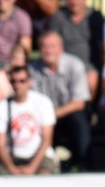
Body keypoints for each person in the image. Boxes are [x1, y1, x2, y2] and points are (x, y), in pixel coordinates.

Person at [29, 31, 93, 171]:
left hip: (69, 112)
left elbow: (79, 102)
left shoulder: (74, 65)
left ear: (61, 48)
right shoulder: (32, 69)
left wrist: (53, 114)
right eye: (44, 46)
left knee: (79, 120)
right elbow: (32, 100)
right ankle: (37, 163)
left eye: (52, 46)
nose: (48, 50)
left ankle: (85, 164)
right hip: (44, 116)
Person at [0, 65, 61, 174]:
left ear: (29, 82)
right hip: (12, 158)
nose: (17, 85)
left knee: (45, 176)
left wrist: (32, 167)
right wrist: (11, 169)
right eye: (14, 81)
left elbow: (47, 140)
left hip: (39, 156)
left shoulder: (43, 102)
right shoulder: (2, 107)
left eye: (22, 81)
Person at [47, 0, 105, 100]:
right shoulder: (58, 17)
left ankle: (87, 107)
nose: (74, 2)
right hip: (64, 64)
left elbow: (102, 46)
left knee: (91, 79)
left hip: (88, 64)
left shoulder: (95, 16)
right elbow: (52, 42)